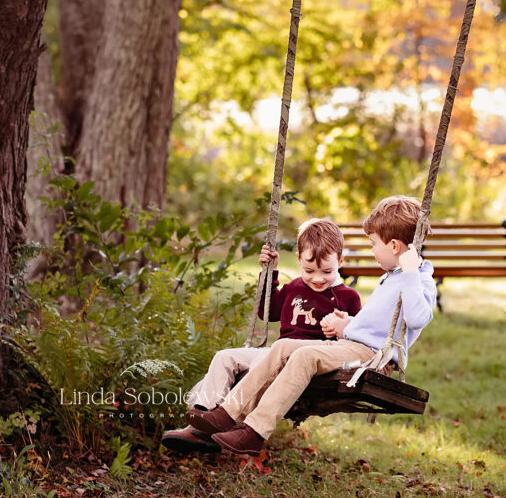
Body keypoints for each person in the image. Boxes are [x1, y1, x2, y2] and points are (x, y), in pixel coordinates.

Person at [186, 195, 436, 456]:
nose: (372, 250)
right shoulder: (394, 277)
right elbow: (375, 326)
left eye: (374, 244)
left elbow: (418, 318)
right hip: (357, 347)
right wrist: (346, 325)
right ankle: (227, 413)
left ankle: (254, 432)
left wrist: (410, 273)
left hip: (374, 359)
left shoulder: (417, 278)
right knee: (283, 346)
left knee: (305, 355)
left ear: (395, 246)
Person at [162, 218, 362, 454]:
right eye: (309, 271)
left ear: (340, 261)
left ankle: (207, 431)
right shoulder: (293, 288)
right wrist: (269, 273)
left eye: (327, 271)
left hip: (302, 361)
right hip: (275, 354)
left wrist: (339, 330)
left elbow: (351, 343)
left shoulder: (347, 297)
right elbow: (268, 311)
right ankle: (204, 417)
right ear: (298, 260)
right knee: (225, 357)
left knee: (276, 354)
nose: (318, 279)